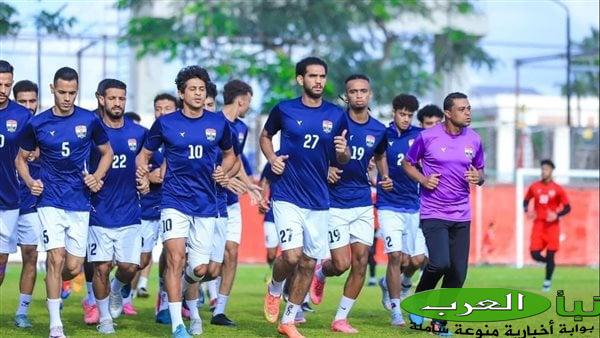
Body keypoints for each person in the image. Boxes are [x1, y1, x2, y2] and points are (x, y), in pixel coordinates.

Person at [136, 65, 236, 337]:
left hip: (206, 203)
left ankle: (185, 290)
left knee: (201, 269)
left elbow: (230, 155)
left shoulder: (218, 123)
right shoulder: (166, 123)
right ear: (181, 93)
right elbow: (144, 155)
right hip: (174, 201)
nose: (197, 93)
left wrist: (224, 171)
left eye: (201, 89)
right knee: (175, 258)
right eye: (192, 89)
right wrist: (143, 175)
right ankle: (177, 323)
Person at [16, 67, 113, 338]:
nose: (67, 98)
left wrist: (96, 176)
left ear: (77, 91)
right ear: (52, 89)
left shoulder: (89, 120)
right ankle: (55, 326)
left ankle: (58, 280)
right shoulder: (37, 124)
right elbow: (20, 159)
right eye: (62, 92)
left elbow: (107, 153)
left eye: (72, 93)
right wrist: (30, 182)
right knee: (56, 258)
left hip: (79, 201)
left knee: (72, 266)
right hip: (49, 200)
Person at [260, 56, 350, 338]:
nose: (319, 81)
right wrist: (272, 158)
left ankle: (288, 320)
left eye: (322, 76)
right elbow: (265, 136)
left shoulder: (336, 115)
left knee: (310, 261)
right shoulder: (284, 109)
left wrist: (342, 152)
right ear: (301, 80)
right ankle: (275, 289)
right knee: (291, 255)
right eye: (312, 76)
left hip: (319, 199)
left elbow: (343, 159)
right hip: (287, 194)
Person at [309, 74, 391, 333]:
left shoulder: (379, 129)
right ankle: (321, 272)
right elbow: (312, 152)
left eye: (363, 91)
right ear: (346, 96)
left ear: (370, 94)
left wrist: (384, 176)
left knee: (362, 262)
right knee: (341, 264)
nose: (358, 95)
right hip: (334, 203)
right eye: (353, 92)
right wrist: (325, 170)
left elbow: (379, 155)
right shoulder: (333, 121)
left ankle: (340, 319)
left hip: (363, 203)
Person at [402, 92, 485, 334]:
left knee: (458, 272)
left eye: (469, 108)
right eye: (462, 109)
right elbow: (407, 163)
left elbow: (481, 172)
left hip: (462, 215)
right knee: (439, 264)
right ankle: (418, 303)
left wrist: (477, 178)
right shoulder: (427, 137)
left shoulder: (475, 139)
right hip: (433, 212)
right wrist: (423, 179)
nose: (468, 112)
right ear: (448, 113)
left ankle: (440, 321)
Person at [87, 79, 148, 334]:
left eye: (121, 98)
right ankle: (104, 319)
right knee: (100, 267)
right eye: (112, 98)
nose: (117, 103)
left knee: (130, 267)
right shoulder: (90, 130)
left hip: (130, 211)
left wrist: (145, 178)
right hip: (98, 210)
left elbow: (148, 164)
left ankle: (116, 290)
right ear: (101, 98)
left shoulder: (138, 132)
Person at [209, 79, 260, 326]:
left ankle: (219, 310)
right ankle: (182, 300)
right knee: (207, 264)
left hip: (230, 203)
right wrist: (224, 180)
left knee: (232, 252)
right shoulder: (212, 124)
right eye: (249, 101)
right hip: (208, 202)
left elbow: (236, 159)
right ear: (242, 99)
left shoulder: (242, 128)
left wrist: (249, 185)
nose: (250, 106)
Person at [375, 94, 423, 326]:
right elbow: (371, 160)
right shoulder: (383, 134)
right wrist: (380, 178)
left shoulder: (419, 136)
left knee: (413, 261)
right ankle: (396, 311)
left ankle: (393, 284)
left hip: (412, 206)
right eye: (402, 114)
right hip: (388, 205)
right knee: (394, 256)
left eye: (409, 115)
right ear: (394, 112)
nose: (405, 119)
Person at [136, 93, 178, 302]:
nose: (161, 112)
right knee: (142, 259)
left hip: (176, 204)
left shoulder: (182, 135)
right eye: (158, 108)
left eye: (167, 108)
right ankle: (120, 287)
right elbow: (137, 166)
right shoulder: (146, 137)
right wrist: (146, 177)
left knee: (173, 255)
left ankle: (165, 300)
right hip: (149, 206)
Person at [8, 78, 40, 329]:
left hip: (30, 204)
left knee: (30, 255)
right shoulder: (11, 121)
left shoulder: (44, 126)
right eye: (23, 101)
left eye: (32, 101)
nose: (29, 106)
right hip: (4, 201)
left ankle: (22, 312)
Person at [0, 61, 32, 288]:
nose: (2, 90)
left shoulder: (22, 116)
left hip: (8, 198)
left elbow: (34, 151)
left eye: (7, 85)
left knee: (1, 258)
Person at [523, 159, 571, 292]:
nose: (544, 171)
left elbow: (568, 208)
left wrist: (557, 215)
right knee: (534, 254)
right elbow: (525, 201)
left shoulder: (558, 189)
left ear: (551, 171)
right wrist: (527, 210)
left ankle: (547, 282)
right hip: (538, 225)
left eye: (546, 169)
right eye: (542, 169)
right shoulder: (534, 187)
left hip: (552, 227)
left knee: (551, 255)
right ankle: (550, 265)